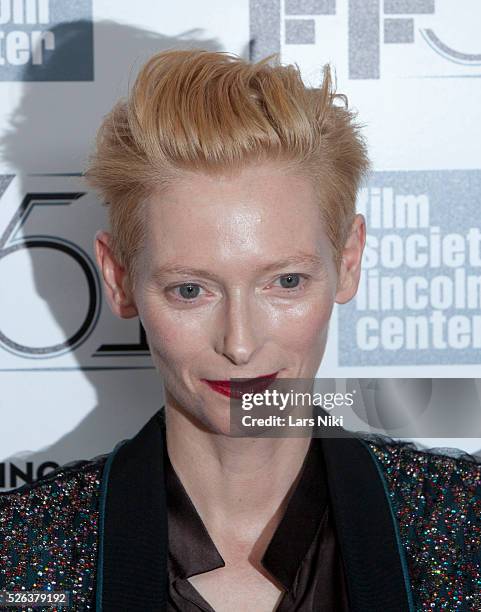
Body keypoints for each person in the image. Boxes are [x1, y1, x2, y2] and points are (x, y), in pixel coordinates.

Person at [0, 48, 480, 612]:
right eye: (190, 290)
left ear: (348, 261)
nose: (240, 343)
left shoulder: (464, 526)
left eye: (285, 281)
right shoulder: (21, 554)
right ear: (120, 278)